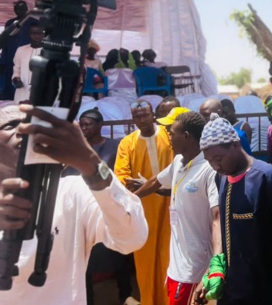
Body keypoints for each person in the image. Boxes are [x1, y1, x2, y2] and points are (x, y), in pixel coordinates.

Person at [0, 105, 148, 303]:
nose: (24, 130)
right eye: (12, 125)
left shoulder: (72, 191)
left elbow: (133, 238)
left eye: (32, 125)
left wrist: (92, 165)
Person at [195, 116, 272, 304]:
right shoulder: (222, 178)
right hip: (231, 291)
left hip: (265, 292)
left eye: (218, 159)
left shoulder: (266, 177)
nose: (215, 166)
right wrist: (212, 272)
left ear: (235, 144)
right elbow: (227, 235)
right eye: (209, 161)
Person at [136, 112, 220, 305]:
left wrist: (215, 263)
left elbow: (217, 217)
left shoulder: (208, 169)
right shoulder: (178, 162)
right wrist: (131, 199)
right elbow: (156, 181)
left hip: (194, 269)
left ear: (187, 136)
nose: (168, 138)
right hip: (176, 266)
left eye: (172, 133)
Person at [65, 108, 137, 305]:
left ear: (100, 125)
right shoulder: (76, 150)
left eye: (88, 123)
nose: (84, 127)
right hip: (83, 209)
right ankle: (88, 298)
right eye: (82, 124)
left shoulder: (115, 146)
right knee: (84, 255)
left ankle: (125, 294)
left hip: (109, 205)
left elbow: (120, 173)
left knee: (119, 250)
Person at [114, 100, 173, 305]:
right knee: (146, 262)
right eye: (137, 116)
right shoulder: (127, 143)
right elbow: (122, 176)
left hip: (171, 208)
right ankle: (149, 300)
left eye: (145, 115)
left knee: (170, 258)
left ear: (153, 115)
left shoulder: (168, 136)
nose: (141, 120)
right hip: (144, 210)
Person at [1, 0, 39, 100]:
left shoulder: (34, 22)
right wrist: (3, 60)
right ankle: (8, 100)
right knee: (10, 79)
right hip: (11, 56)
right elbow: (5, 42)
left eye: (22, 8)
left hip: (26, 56)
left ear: (26, 9)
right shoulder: (10, 23)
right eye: (17, 8)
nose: (19, 11)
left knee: (25, 79)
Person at [12, 24, 44, 102]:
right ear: (29, 34)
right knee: (19, 112)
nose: (36, 36)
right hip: (22, 91)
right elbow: (16, 69)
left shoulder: (49, 52)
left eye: (39, 33)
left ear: (44, 34)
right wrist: (15, 79)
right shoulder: (21, 50)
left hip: (41, 92)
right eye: (34, 33)